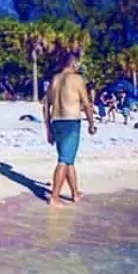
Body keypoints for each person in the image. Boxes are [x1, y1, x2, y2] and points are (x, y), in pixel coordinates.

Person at [42, 50, 96, 206]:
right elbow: (86, 104)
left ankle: (74, 193)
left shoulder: (55, 79)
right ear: (73, 63)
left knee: (68, 159)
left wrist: (48, 129)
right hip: (71, 122)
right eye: (78, 63)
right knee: (64, 160)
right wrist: (91, 123)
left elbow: (45, 106)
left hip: (56, 122)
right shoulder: (77, 79)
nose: (79, 66)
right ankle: (54, 197)